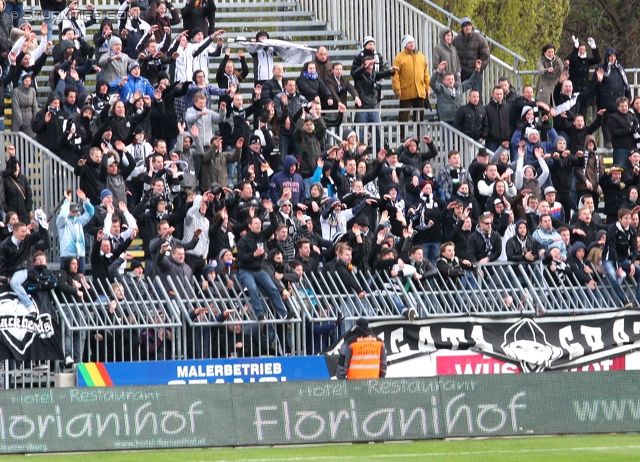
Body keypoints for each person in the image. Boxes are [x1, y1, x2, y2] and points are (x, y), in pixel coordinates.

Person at [236, 206, 290, 321]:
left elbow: (274, 226)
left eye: (260, 223)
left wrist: (271, 211)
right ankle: (260, 313)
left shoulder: (262, 235)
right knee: (252, 288)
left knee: (273, 288)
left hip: (259, 269)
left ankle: (284, 313)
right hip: (246, 270)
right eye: (256, 223)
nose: (259, 225)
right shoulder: (243, 241)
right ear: (250, 226)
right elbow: (240, 258)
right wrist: (253, 255)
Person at [392, 35, 430, 138]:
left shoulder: (421, 56)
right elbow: (395, 75)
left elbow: (426, 73)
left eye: (413, 42)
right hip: (405, 92)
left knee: (419, 116)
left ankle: (418, 136)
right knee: (404, 116)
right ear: (405, 45)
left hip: (420, 91)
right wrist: (397, 89)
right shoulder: (399, 57)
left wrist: (428, 87)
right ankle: (402, 137)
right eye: (409, 43)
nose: (412, 44)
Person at [594, 47, 631, 149]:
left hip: (619, 100)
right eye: (610, 56)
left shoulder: (620, 69)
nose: (612, 58)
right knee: (605, 122)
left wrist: (629, 96)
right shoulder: (601, 69)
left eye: (614, 56)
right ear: (607, 57)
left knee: (621, 121)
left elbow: (626, 84)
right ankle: (608, 141)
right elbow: (594, 85)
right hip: (605, 101)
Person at [603, 208, 640, 309]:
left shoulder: (631, 229)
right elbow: (612, 248)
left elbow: (634, 248)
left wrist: (632, 263)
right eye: (626, 218)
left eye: (629, 218)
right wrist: (618, 267)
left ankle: (638, 300)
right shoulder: (612, 229)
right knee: (612, 274)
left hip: (624, 259)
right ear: (620, 219)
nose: (628, 221)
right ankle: (624, 299)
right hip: (609, 259)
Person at [452, 17, 489, 102]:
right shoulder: (456, 40)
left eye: (469, 25)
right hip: (461, 73)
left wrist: (478, 69)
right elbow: (452, 56)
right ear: (462, 28)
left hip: (475, 72)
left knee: (477, 96)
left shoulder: (480, 39)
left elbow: (486, 57)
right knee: (456, 95)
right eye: (465, 26)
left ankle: (479, 114)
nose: (468, 27)